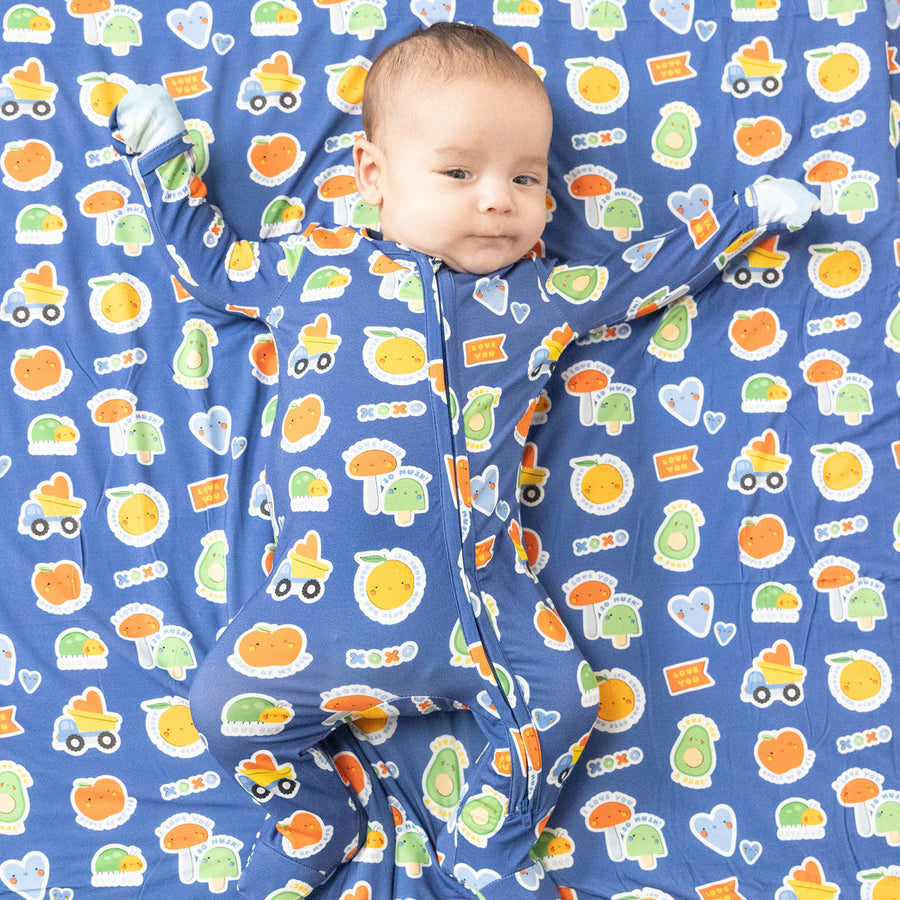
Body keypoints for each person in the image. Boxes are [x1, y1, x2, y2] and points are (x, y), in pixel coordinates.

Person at [110, 22, 817, 899]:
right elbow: (205, 267)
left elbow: (647, 274)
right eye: (459, 173)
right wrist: (158, 156)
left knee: (566, 705)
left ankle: (485, 844)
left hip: (485, 612)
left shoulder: (542, 295)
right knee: (222, 707)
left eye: (526, 178)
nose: (500, 200)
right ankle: (312, 823)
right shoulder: (313, 272)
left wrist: (748, 217)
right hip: (316, 613)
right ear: (374, 176)